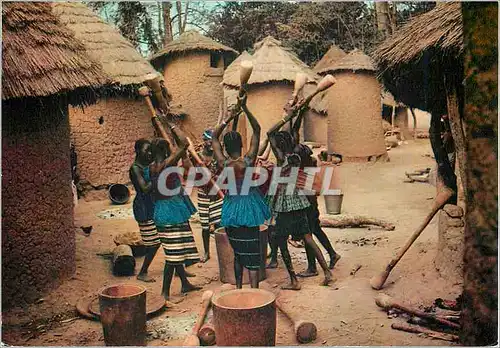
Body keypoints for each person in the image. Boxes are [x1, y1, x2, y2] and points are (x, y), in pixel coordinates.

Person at [267, 103, 332, 290]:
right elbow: (292, 133)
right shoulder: (296, 154)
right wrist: (296, 114)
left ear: (278, 147)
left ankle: (294, 281)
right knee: (308, 238)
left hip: (285, 205)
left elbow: (269, 134)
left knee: (281, 242)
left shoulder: (281, 159)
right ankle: (327, 272)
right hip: (299, 201)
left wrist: (285, 117)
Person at [212, 92, 271, 289]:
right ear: (241, 145)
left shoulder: (223, 163)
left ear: (226, 148)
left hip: (231, 209)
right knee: (253, 253)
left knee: (238, 252)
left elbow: (213, 136)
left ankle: (238, 288)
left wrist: (230, 115)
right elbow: (257, 128)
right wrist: (244, 107)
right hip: (250, 207)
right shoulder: (248, 160)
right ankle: (254, 291)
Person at [145, 121, 201, 301]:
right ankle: (165, 293)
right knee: (172, 255)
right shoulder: (166, 164)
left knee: (175, 249)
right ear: (164, 151)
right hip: (171, 211)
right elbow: (184, 144)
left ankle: (184, 283)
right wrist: (173, 126)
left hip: (165, 210)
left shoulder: (152, 166)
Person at [295, 143, 341, 277]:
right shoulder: (310, 167)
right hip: (312, 204)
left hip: (307, 205)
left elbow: (313, 190)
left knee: (307, 234)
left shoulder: (305, 171)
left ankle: (312, 267)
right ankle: (332, 254)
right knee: (316, 230)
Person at [129, 138, 160, 283]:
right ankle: (142, 272)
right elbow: (145, 188)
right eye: (146, 150)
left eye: (150, 151)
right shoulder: (135, 168)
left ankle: (179, 270)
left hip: (152, 206)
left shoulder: (147, 165)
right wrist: (157, 175)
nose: (149, 153)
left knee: (165, 238)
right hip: (143, 208)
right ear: (137, 150)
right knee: (154, 243)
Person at [197, 129, 223, 262]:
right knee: (205, 226)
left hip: (216, 194)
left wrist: (214, 176)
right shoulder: (197, 156)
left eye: (210, 140)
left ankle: (222, 251)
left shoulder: (218, 155)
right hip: (203, 195)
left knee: (219, 225)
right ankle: (207, 252)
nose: (208, 143)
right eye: (206, 140)